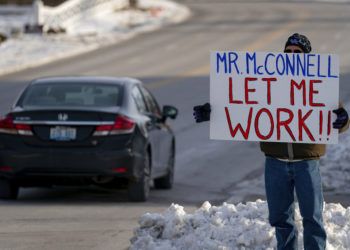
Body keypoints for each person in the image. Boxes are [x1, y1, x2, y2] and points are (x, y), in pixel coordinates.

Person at [193, 33, 349, 250]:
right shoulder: (270, 82)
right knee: (280, 219)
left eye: (298, 52)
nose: (293, 56)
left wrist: (343, 119)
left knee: (313, 218)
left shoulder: (320, 83)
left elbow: (339, 119)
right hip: (275, 162)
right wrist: (214, 113)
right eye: (289, 52)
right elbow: (240, 105)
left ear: (307, 56)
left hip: (307, 163)